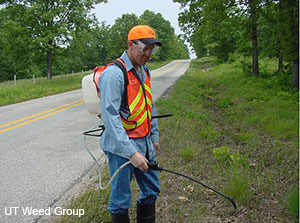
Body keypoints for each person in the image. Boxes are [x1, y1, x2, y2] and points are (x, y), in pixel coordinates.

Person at [98, 25, 162, 223]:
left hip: (144, 141)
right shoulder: (114, 74)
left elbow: (149, 105)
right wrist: (131, 153)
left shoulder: (144, 71)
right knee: (120, 199)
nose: (148, 53)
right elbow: (110, 118)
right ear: (130, 45)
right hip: (121, 148)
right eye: (145, 48)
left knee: (152, 189)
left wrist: (154, 136)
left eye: (152, 49)